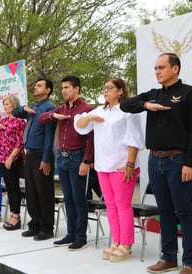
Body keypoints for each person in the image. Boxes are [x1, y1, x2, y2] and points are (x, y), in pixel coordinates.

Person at [120, 53, 192, 274]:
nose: (157, 71)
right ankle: (168, 258)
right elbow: (126, 105)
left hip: (179, 161)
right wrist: (148, 105)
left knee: (184, 212)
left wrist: (190, 163)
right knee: (165, 211)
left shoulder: (191, 94)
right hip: (155, 160)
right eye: (155, 68)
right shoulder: (154, 94)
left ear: (175, 68)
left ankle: (189, 262)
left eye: (161, 67)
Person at [74, 77, 144, 261]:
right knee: (110, 205)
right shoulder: (99, 110)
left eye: (110, 88)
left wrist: (130, 164)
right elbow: (79, 125)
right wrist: (89, 117)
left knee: (122, 205)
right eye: (104, 88)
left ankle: (126, 244)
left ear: (121, 91)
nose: (106, 91)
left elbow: (134, 138)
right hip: (103, 166)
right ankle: (117, 241)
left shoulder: (128, 111)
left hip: (122, 166)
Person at [39, 75, 94, 251]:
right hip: (62, 158)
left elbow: (91, 138)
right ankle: (70, 234)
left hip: (77, 157)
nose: (63, 91)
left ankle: (80, 237)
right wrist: (54, 115)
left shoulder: (87, 109)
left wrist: (87, 160)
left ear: (76, 89)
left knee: (79, 199)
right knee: (68, 199)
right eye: (62, 88)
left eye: (67, 88)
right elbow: (41, 118)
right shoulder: (61, 108)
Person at [12, 78, 57, 240]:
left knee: (44, 192)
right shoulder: (33, 106)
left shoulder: (49, 108)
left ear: (48, 90)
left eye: (39, 85)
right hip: (29, 154)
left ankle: (46, 227)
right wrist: (23, 107)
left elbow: (49, 136)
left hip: (41, 154)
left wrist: (45, 159)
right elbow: (15, 112)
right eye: (35, 85)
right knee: (31, 192)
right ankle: (35, 223)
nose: (35, 87)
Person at [0, 96, 26, 231]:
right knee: (9, 187)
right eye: (4, 104)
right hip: (3, 157)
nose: (5, 107)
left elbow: (20, 142)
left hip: (14, 157)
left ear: (14, 105)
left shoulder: (20, 122)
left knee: (14, 186)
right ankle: (12, 212)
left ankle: (16, 216)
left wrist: (11, 157)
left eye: (8, 104)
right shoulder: (3, 120)